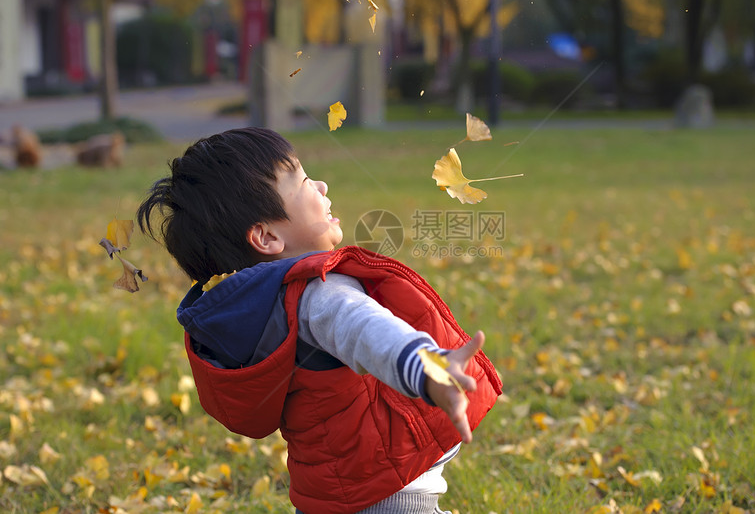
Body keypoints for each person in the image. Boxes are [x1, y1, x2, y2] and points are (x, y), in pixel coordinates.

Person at [137, 127, 502, 514]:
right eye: (304, 181)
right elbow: (367, 331)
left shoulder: (268, 307)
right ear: (265, 236)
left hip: (337, 493)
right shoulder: (319, 296)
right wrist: (428, 369)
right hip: (384, 498)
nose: (323, 186)